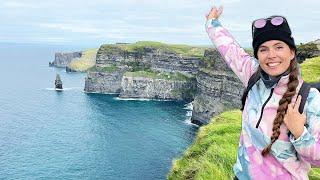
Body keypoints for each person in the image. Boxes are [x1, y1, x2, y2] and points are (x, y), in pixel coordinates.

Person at [205, 5, 320, 179]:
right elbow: (229, 48)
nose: (271, 55)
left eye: (279, 47)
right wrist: (211, 22)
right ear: (257, 55)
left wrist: (299, 132)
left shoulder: (309, 98)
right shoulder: (253, 76)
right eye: (263, 49)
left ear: (292, 53)